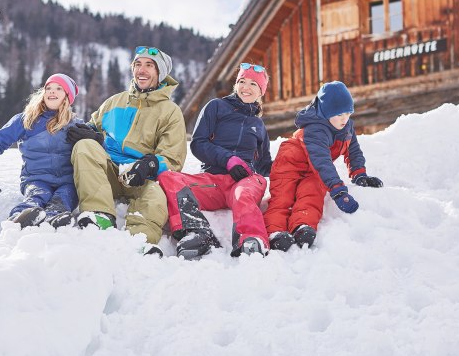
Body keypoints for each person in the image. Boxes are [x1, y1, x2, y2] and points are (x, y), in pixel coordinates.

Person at [65, 46, 186, 257]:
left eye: (149, 65)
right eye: (138, 64)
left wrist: (150, 164)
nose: (142, 70)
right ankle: (99, 215)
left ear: (160, 73)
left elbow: (173, 157)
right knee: (84, 146)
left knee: (156, 194)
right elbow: (93, 127)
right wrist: (89, 134)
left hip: (140, 175)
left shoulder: (170, 112)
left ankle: (140, 240)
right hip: (107, 170)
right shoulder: (114, 101)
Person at [158, 63, 273, 259]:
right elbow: (198, 143)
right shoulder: (216, 107)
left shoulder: (258, 125)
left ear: (261, 91)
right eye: (242, 81)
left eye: (254, 84)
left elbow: (264, 165)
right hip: (214, 180)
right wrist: (228, 160)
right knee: (169, 178)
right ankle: (198, 232)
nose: (246, 87)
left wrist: (295, 166)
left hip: (246, 181)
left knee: (242, 193)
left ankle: (252, 239)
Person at [264, 80, 383, 251]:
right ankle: (274, 232)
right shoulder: (316, 129)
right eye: (339, 114)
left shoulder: (346, 126)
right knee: (283, 198)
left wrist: (359, 174)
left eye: (348, 113)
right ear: (327, 113)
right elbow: (322, 161)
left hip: (312, 170)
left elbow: (354, 150)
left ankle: (302, 225)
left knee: (312, 193)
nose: (345, 119)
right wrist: (337, 190)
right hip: (289, 164)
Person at [0, 73, 84, 229]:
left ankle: (54, 217)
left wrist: (96, 138)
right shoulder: (27, 120)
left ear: (67, 97)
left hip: (68, 181)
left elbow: (95, 150)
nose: (52, 91)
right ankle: (19, 218)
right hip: (36, 178)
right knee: (37, 196)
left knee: (64, 197)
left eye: (59, 88)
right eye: (48, 88)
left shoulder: (76, 125)